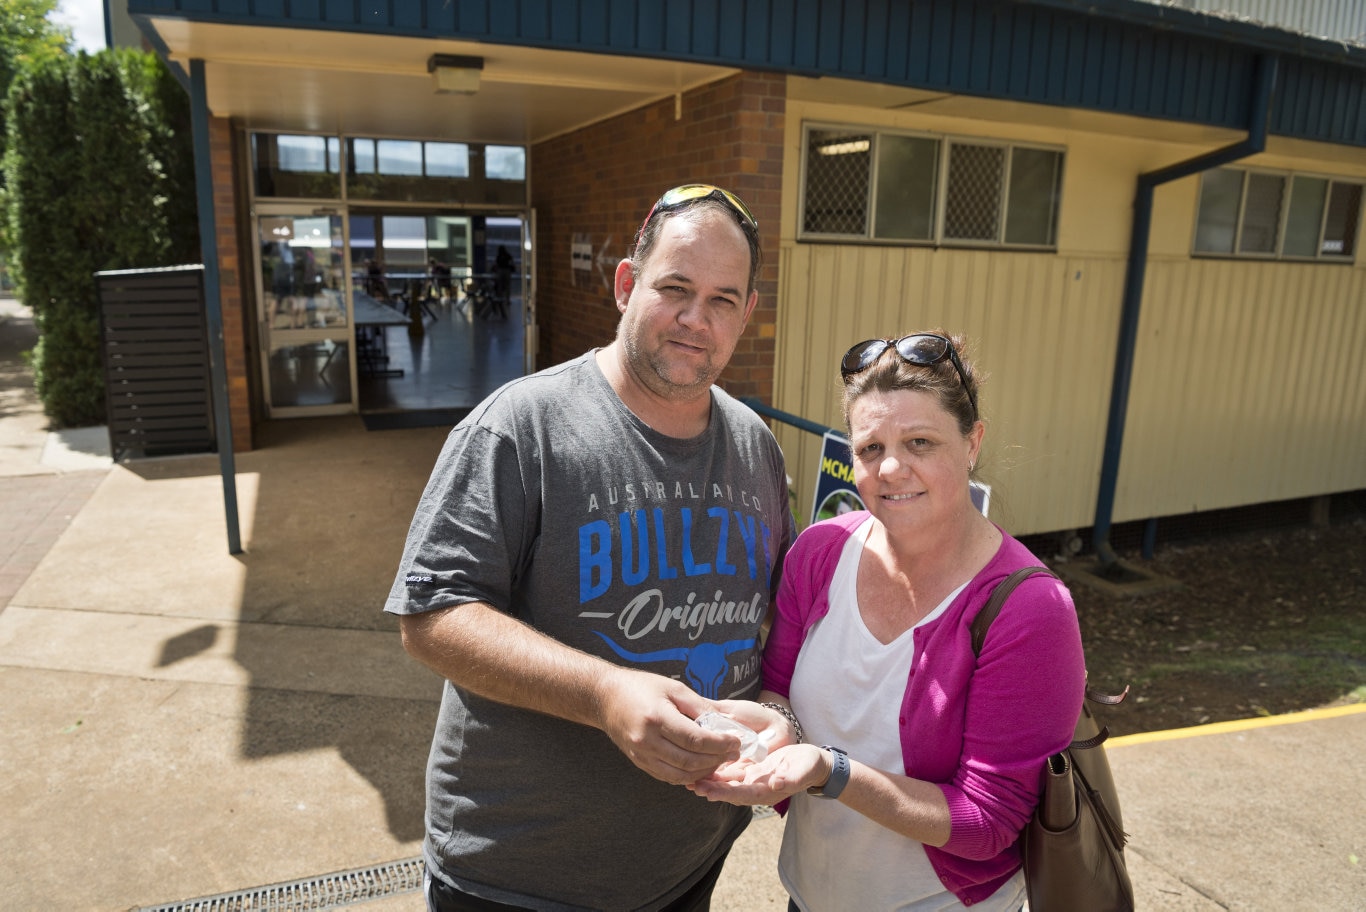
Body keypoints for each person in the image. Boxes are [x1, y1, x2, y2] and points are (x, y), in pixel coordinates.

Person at [385, 184, 796, 912]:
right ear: (626, 284)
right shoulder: (522, 426)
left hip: (688, 864)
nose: (696, 320)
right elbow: (431, 614)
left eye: (723, 300)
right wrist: (605, 693)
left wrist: (776, 710)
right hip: (519, 877)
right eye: (675, 288)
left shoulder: (754, 447)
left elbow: (772, 618)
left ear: (747, 314)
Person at [691, 332, 1086, 911]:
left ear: (973, 442)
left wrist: (830, 771)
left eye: (920, 442)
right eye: (871, 448)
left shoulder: (1029, 610)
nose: (892, 467)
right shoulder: (819, 553)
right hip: (809, 894)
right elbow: (780, 693)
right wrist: (770, 728)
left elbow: (988, 821)